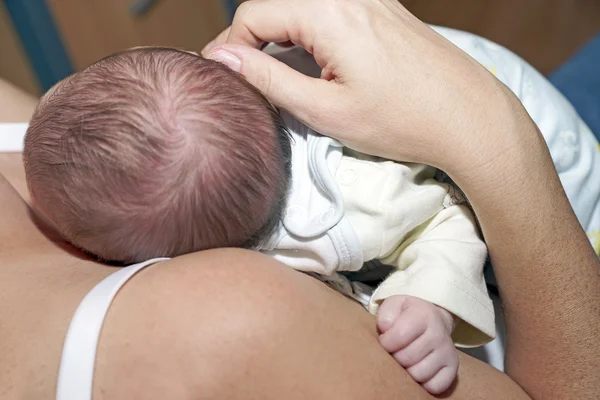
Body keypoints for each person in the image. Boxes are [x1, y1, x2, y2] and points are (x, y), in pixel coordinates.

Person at [1, 1, 599, 399]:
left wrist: (428, 300)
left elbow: (446, 222)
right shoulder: (227, 318)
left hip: (553, 174)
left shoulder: (352, 206)